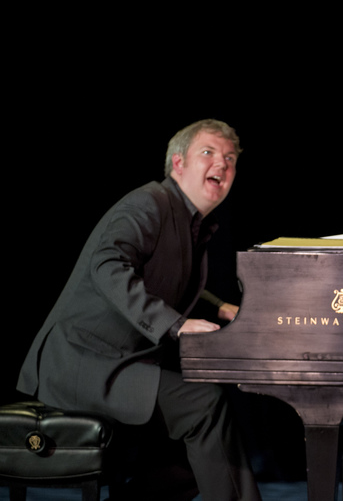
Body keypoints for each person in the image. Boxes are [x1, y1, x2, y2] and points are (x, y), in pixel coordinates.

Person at [17, 119, 262, 501]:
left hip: (116, 364)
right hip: (82, 363)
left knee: (197, 455)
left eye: (230, 158)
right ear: (178, 164)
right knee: (205, 405)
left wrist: (221, 306)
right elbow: (108, 266)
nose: (223, 164)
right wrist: (176, 324)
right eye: (209, 153)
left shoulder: (190, 221)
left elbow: (163, 279)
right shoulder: (148, 202)